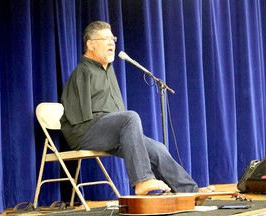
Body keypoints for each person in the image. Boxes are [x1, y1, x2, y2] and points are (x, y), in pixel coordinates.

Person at [60, 21, 214, 198]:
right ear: (91, 44)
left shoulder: (108, 70)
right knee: (129, 117)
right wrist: (116, 125)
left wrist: (117, 127)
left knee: (157, 148)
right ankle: (142, 180)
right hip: (85, 133)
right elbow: (77, 118)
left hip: (110, 133)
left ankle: (189, 191)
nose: (112, 43)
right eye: (105, 39)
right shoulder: (83, 72)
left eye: (113, 39)